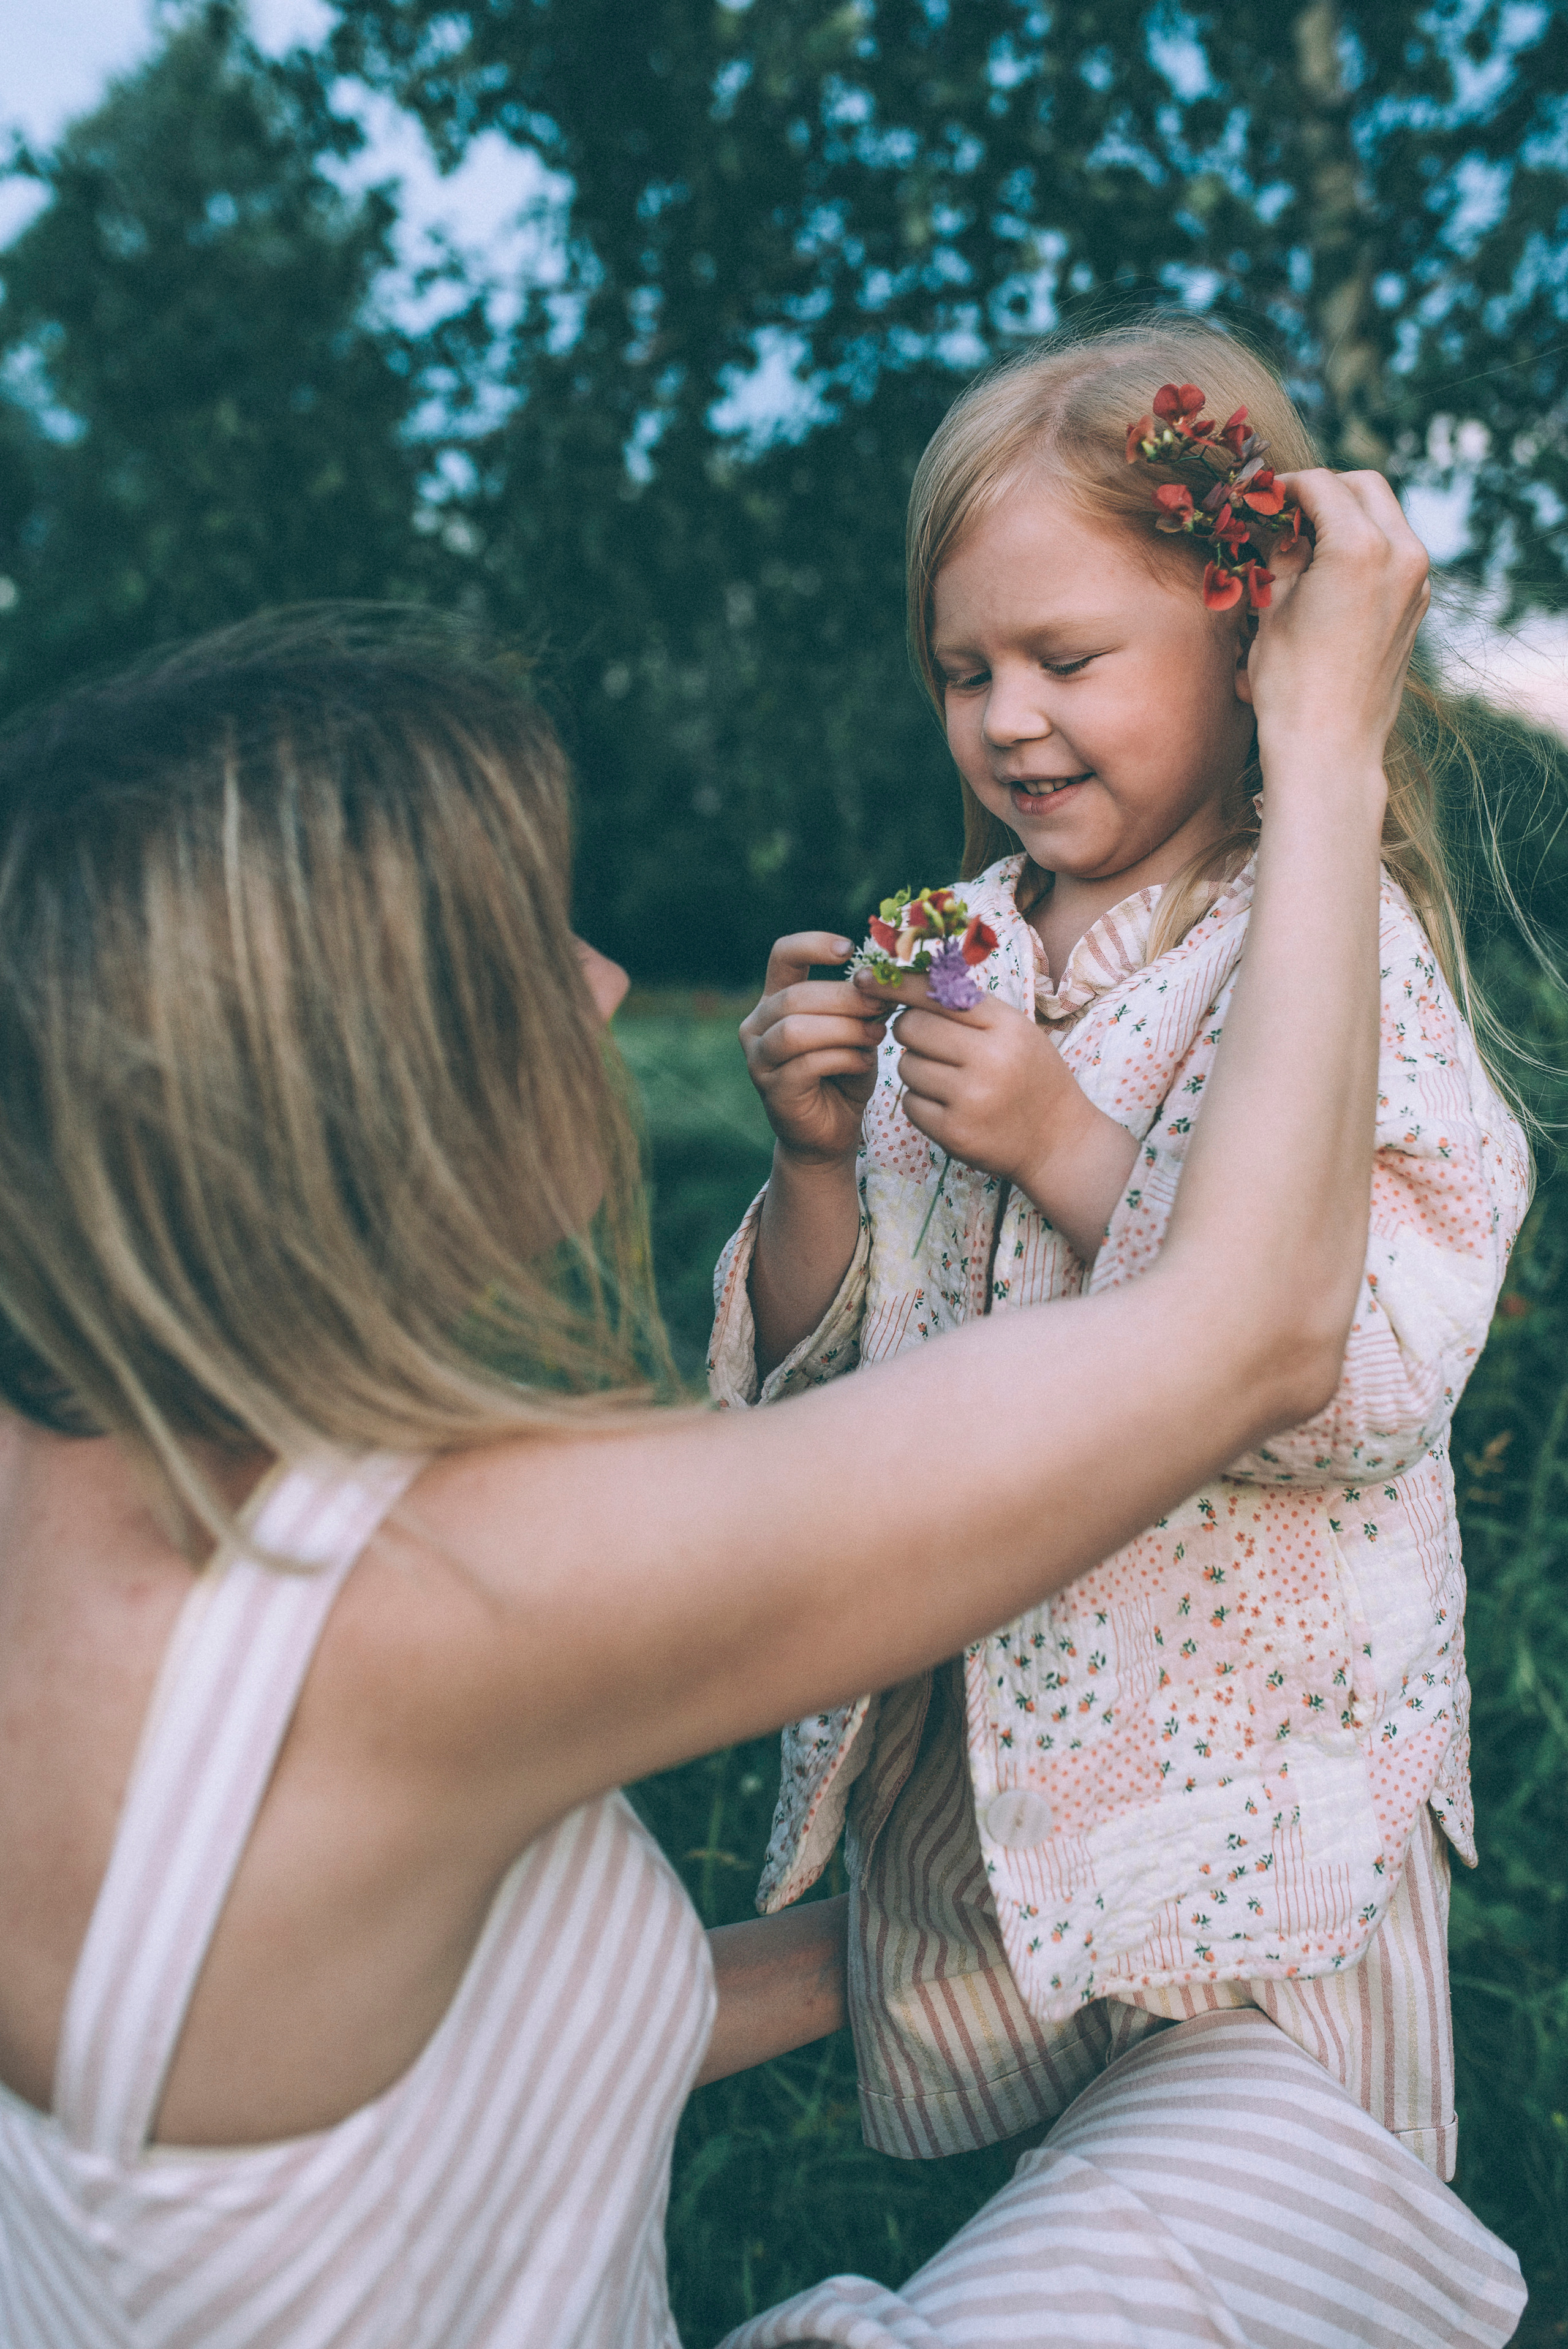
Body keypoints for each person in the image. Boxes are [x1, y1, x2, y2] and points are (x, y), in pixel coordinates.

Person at [0, 521, 1521, 2349]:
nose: (606, 985)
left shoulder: (76, 1495)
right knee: (1294, 2184)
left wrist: (1079, 1888)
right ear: (365, 1085)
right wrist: (1334, 737)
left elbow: (418, 2032)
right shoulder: (428, 1601)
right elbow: (1262, 1328)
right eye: (528, 941)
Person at [715, 318, 1529, 2188]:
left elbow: (1370, 1372)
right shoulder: (953, 947)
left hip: (1257, 1819)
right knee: (1041, 2230)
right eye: (962, 670)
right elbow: (819, 1390)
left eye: (1067, 658)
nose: (1008, 718)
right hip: (984, 1808)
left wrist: (1073, 1147)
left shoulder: (1328, 958)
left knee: (1267, 2246)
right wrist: (821, 1160)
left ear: (1250, 641)